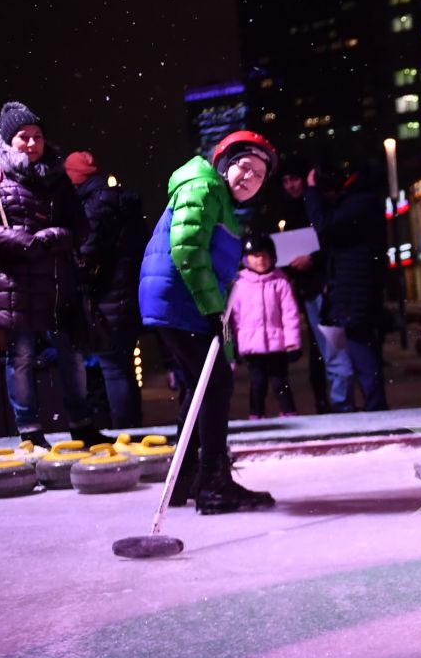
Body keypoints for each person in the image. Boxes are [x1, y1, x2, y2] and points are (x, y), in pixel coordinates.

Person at [140, 130, 279, 514]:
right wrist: (212, 309)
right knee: (215, 385)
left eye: (259, 176)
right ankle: (214, 483)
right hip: (179, 301)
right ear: (224, 163)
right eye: (244, 167)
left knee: (199, 388)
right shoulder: (202, 186)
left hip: (180, 302)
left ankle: (188, 477)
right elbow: (186, 248)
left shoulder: (218, 198)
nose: (249, 178)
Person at [0, 101, 106, 448]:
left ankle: (81, 424)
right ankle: (29, 430)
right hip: (14, 280)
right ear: (8, 140)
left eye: (37, 136)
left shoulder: (57, 177)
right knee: (21, 355)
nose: (32, 143)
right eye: (24, 137)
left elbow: (81, 227)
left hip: (58, 279)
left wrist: (54, 236)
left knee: (71, 353)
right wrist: (20, 240)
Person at [66, 150, 147, 429]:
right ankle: (133, 427)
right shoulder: (120, 201)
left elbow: (87, 255)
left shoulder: (94, 206)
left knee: (113, 366)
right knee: (122, 365)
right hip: (129, 295)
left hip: (108, 298)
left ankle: (127, 431)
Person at [304, 162, 391, 411]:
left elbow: (323, 225)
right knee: (362, 347)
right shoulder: (360, 200)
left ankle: (376, 407)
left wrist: (311, 191)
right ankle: (375, 405)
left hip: (357, 290)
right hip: (357, 288)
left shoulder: (359, 202)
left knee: (361, 348)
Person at [274, 157, 336, 414]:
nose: (290, 186)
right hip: (305, 286)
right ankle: (324, 401)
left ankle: (333, 401)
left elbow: (329, 240)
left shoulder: (316, 205)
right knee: (319, 350)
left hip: (321, 283)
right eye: (286, 181)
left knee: (329, 348)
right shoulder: (289, 210)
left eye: (294, 179)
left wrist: (312, 259)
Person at [224, 235, 305, 419]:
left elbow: (289, 314)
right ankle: (256, 414)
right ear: (245, 258)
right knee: (257, 383)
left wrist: (292, 343)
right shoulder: (239, 284)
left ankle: (289, 412)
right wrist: (233, 346)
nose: (260, 260)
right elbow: (233, 317)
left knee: (280, 382)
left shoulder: (280, 282)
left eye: (264, 255)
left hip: (277, 345)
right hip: (252, 347)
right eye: (255, 255)